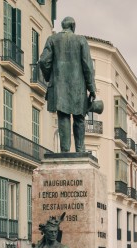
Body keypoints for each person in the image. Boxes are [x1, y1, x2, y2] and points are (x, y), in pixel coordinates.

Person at [40, 16, 97, 153]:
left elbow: (43, 61)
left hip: (59, 87)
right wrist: (92, 89)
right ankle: (80, 150)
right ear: (73, 26)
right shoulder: (81, 40)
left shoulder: (52, 40)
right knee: (79, 118)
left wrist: (50, 77)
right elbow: (87, 67)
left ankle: (64, 151)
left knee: (63, 116)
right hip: (79, 88)